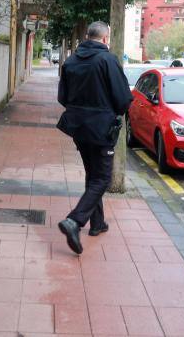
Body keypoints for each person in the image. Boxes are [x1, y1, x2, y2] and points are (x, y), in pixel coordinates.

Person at [55, 21, 133, 254]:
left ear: (87, 37)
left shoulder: (70, 61)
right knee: (102, 179)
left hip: (78, 128)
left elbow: (63, 97)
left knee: (93, 175)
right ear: (105, 39)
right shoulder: (107, 60)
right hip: (102, 129)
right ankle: (75, 221)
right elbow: (122, 99)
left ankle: (97, 224)